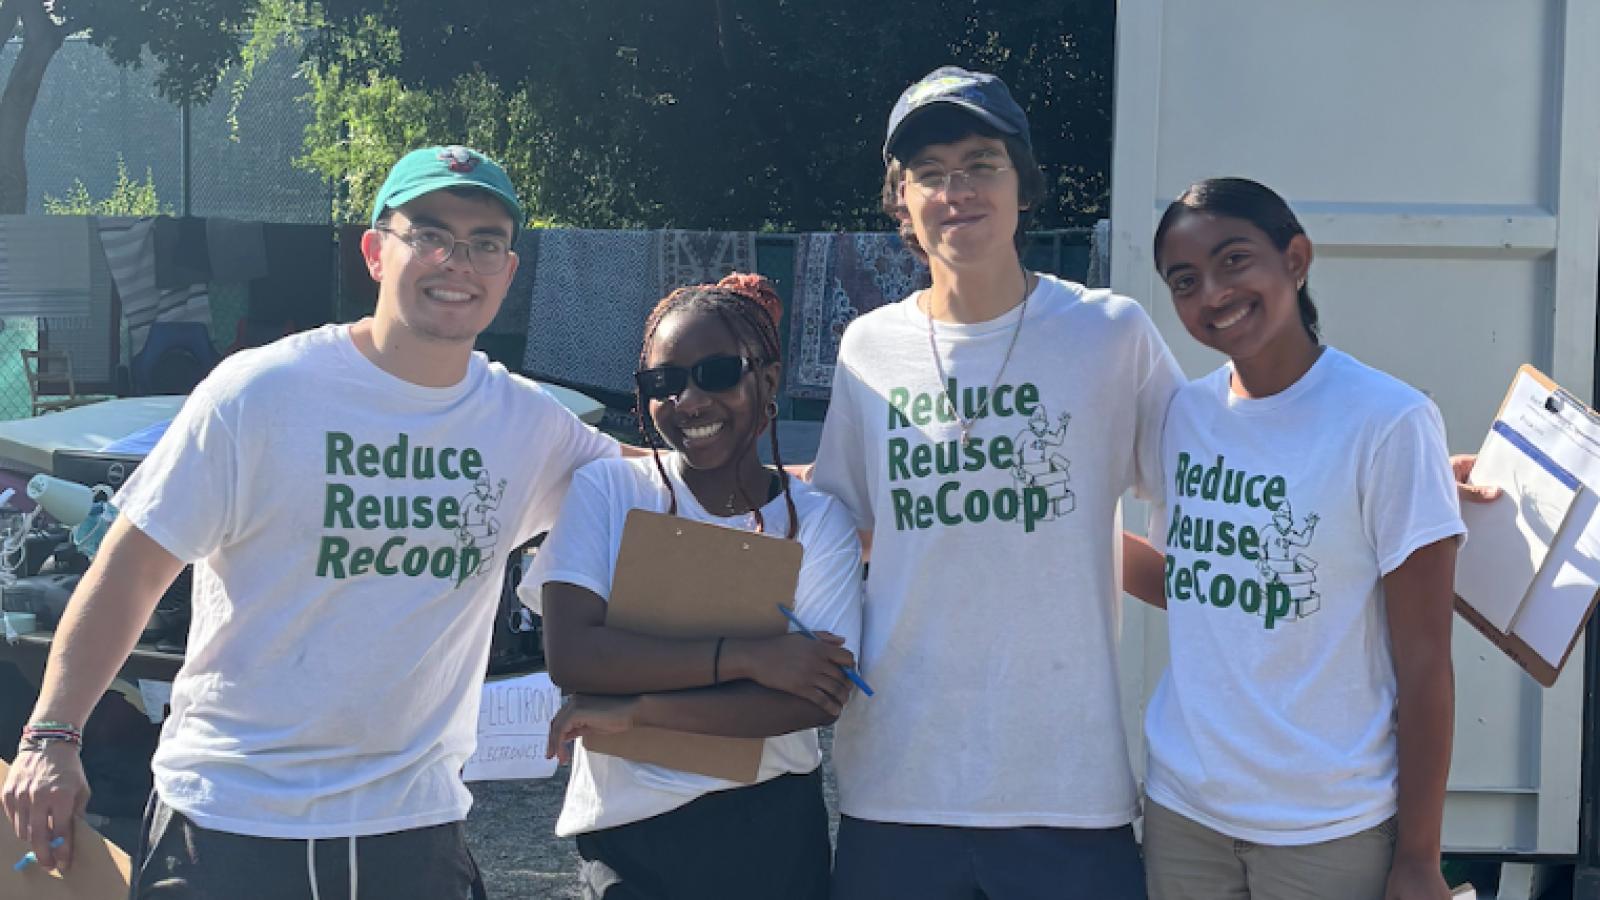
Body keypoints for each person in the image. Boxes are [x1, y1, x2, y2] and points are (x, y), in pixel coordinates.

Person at [1, 145, 632, 898]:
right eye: (427, 235)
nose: (455, 262)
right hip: (231, 823)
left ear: (507, 271)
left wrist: (811, 485)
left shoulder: (529, 424)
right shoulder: (261, 392)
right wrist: (51, 735)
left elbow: (663, 488)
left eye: (483, 243)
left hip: (412, 831)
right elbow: (131, 569)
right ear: (374, 250)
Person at [811, 66, 1182, 899]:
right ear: (900, 200)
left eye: (981, 163)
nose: (957, 190)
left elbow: (1217, 475)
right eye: (930, 173)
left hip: (1067, 789)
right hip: (899, 785)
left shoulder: (1108, 334)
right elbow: (843, 525)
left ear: (1024, 186)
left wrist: (1377, 474)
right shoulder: (869, 348)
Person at [1131, 177, 1462, 900]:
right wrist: (1052, 535)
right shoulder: (1185, 415)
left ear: (1296, 259)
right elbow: (1191, 584)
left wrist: (1418, 858)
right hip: (1185, 813)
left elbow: (1426, 660)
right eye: (1185, 281)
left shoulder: (1388, 421)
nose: (1213, 293)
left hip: (1330, 828)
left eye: (1234, 260)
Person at [527, 272, 864, 900]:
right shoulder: (609, 492)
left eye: (716, 373)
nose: (689, 400)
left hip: (770, 833)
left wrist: (637, 708)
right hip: (627, 843)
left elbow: (813, 700)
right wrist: (752, 658)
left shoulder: (817, 521)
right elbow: (574, 656)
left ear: (768, 379)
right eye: (664, 383)